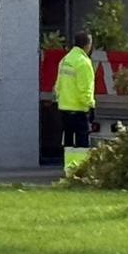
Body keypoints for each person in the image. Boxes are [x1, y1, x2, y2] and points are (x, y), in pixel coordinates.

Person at [55, 31, 97, 159]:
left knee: (68, 143)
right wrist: (91, 106)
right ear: (87, 45)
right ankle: (79, 171)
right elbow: (85, 89)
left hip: (64, 108)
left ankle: (69, 169)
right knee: (81, 145)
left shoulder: (66, 59)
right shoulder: (83, 62)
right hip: (79, 109)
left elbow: (58, 85)